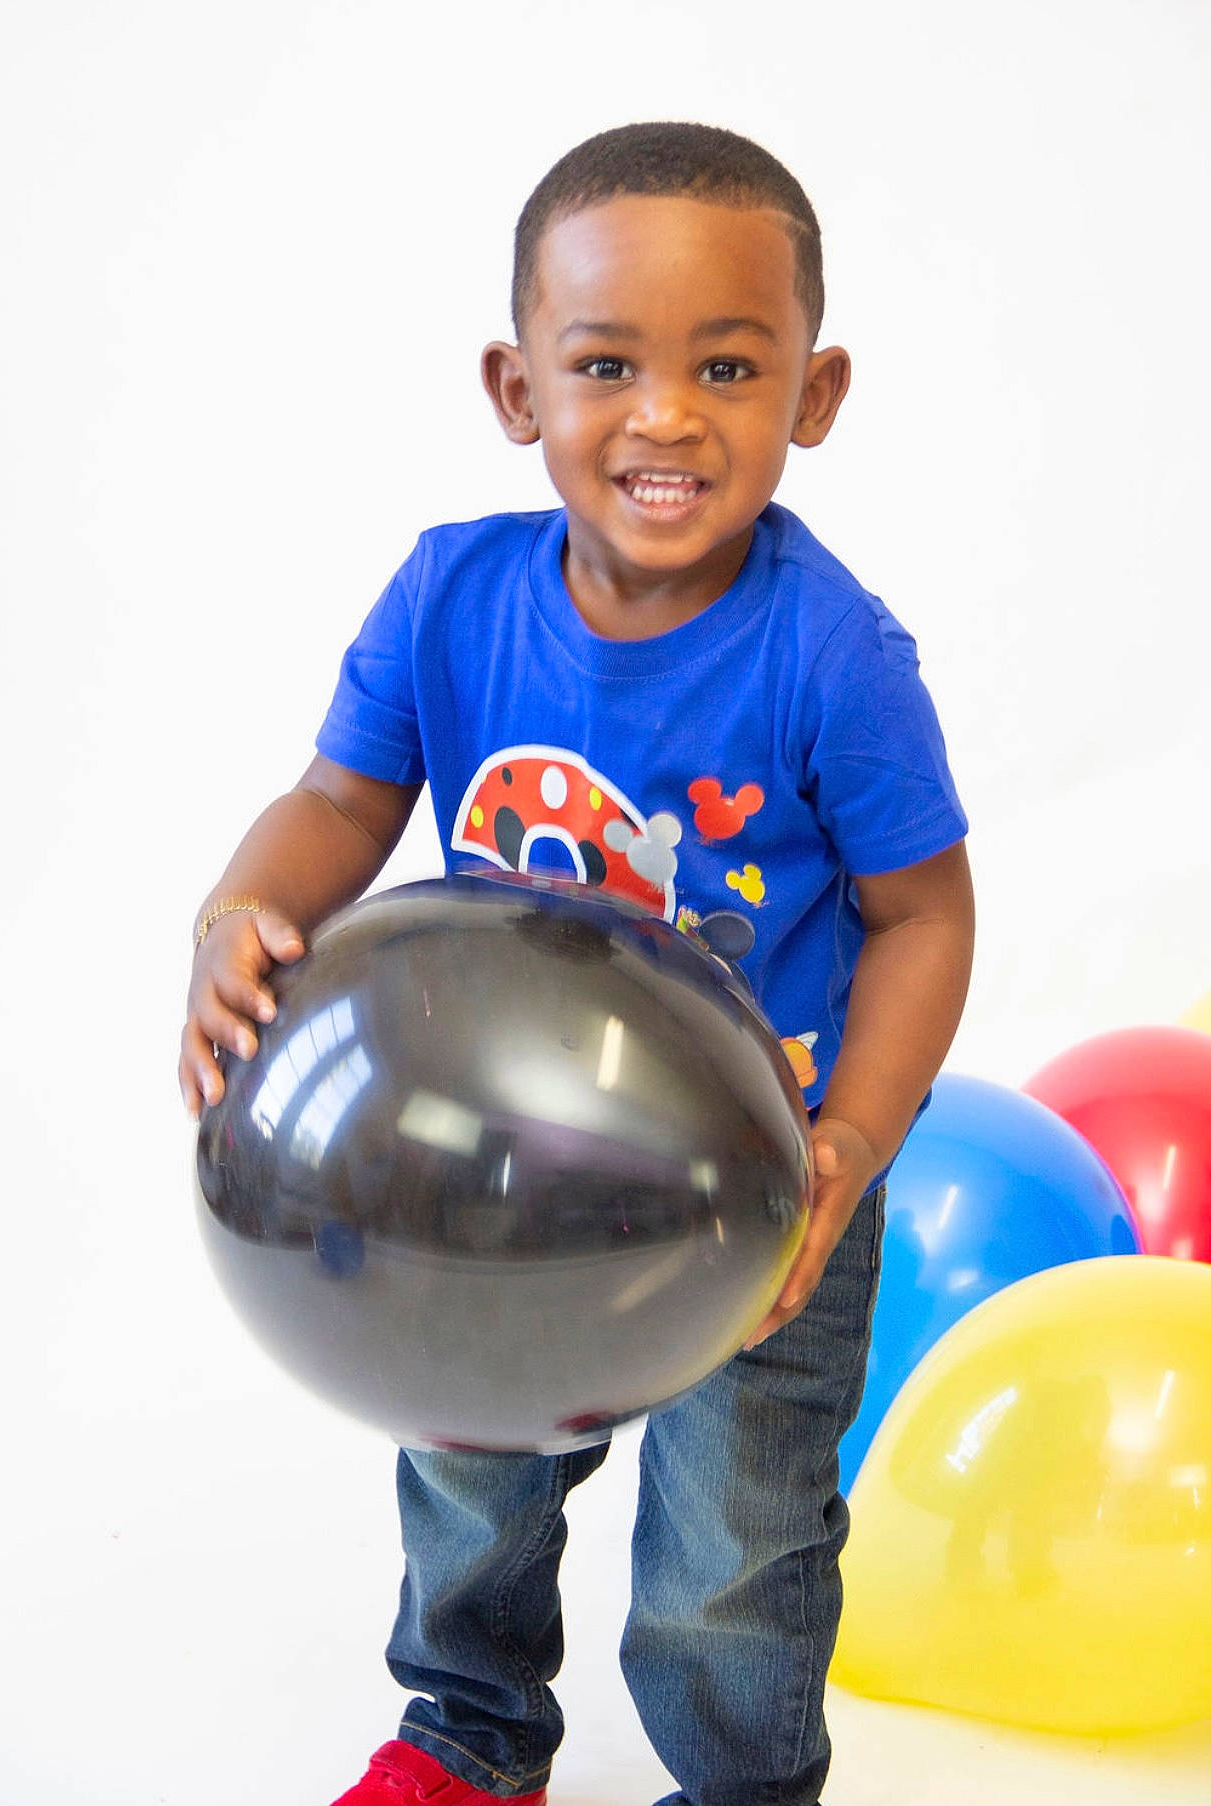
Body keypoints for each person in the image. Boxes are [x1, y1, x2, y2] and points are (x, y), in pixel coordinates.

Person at [179, 121, 975, 1806]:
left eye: (729, 365)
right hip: (469, 1183)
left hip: (759, 1198)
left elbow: (922, 916)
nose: (666, 413)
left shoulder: (833, 653)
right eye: (606, 362)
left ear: (811, 396)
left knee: (733, 1542)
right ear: (516, 385)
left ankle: (742, 1786)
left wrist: (840, 1156)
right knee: (465, 1481)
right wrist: (239, 913)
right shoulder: (449, 595)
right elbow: (336, 800)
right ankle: (469, 1739)